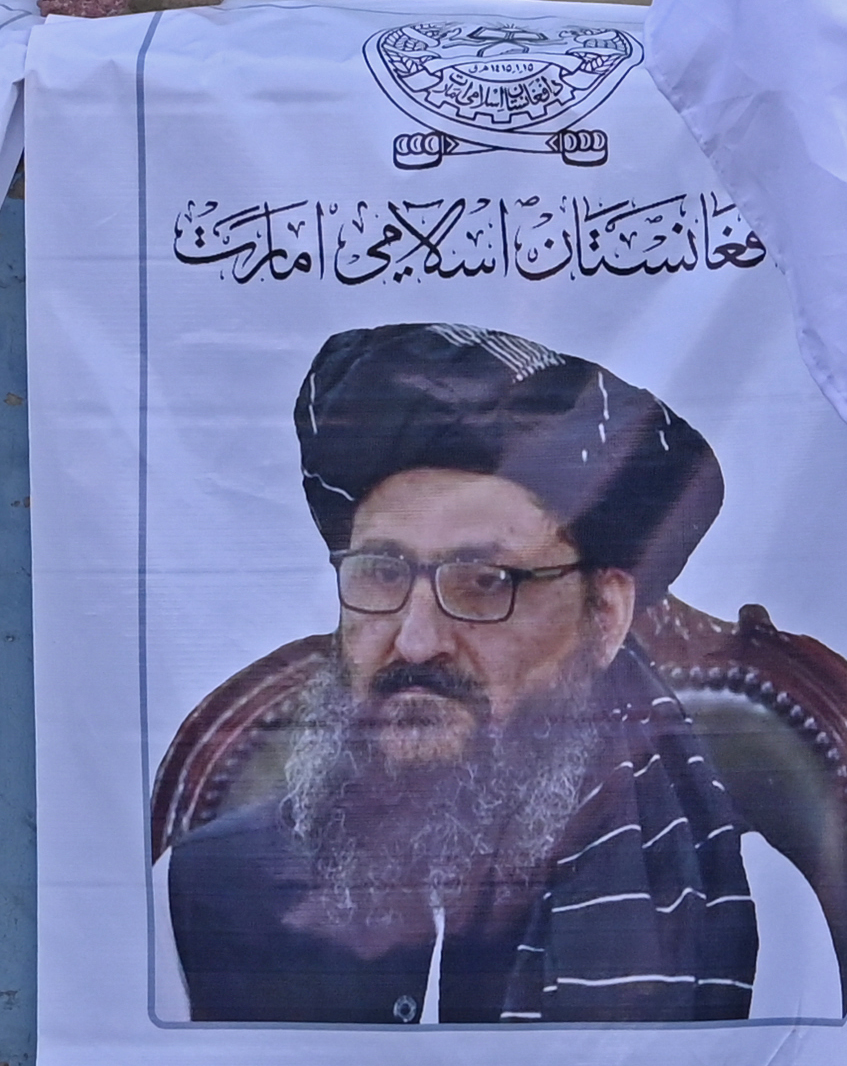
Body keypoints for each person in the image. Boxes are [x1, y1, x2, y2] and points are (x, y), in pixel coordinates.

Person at [167, 322, 763, 1026]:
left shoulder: (757, 909)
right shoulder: (201, 893)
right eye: (381, 573)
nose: (416, 642)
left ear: (603, 615)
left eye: (484, 580)